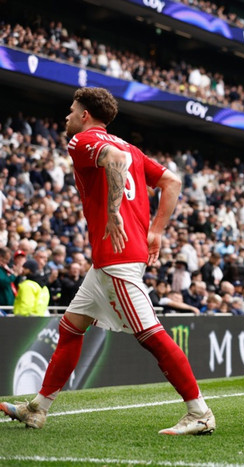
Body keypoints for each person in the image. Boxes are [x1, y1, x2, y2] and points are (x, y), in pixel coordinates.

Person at [0, 87, 215, 435]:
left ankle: (200, 412)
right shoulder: (131, 147)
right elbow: (172, 181)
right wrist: (156, 231)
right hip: (111, 259)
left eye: (72, 110)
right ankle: (37, 409)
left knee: (151, 335)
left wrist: (114, 212)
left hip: (117, 256)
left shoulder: (82, 140)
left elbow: (113, 159)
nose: (67, 116)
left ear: (85, 115)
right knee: (70, 328)